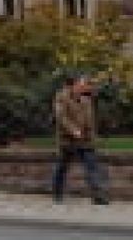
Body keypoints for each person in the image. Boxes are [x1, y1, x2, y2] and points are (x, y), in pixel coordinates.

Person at [51, 73, 109, 205]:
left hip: (85, 141)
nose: (85, 86)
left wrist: (93, 137)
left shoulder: (86, 100)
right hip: (68, 140)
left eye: (86, 84)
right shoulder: (61, 97)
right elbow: (61, 117)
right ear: (74, 84)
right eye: (82, 83)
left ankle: (98, 196)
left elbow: (90, 122)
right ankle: (57, 193)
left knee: (92, 166)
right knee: (62, 167)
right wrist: (73, 130)